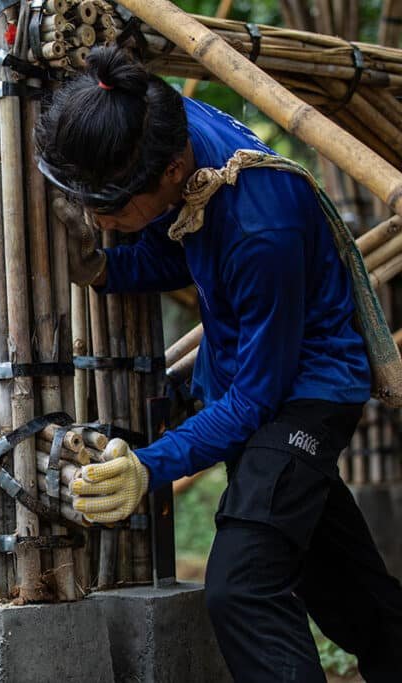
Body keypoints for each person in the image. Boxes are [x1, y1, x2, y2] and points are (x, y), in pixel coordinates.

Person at [36, 46, 402, 681]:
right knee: (341, 581)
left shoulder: (262, 224)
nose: (99, 220)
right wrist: (103, 266)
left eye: (112, 209)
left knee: (243, 588)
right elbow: (187, 250)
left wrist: (150, 466)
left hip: (302, 394)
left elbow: (258, 400)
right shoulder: (149, 118)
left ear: (176, 172)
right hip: (247, 374)